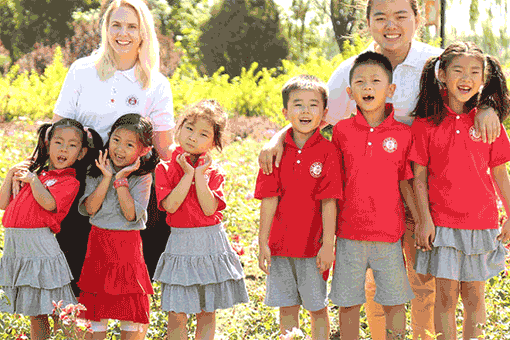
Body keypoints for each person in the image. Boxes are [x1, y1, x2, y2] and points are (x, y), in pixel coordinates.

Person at [258, 0, 502, 338]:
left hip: (426, 191)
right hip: (368, 197)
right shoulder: (352, 69)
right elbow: (314, 116)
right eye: (381, 17)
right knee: (374, 283)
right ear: (368, 22)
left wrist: (488, 106)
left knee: (423, 280)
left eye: (401, 15)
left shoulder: (433, 62)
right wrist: (278, 138)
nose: (392, 25)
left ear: (418, 18)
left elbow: (470, 82)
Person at [51, 0, 175, 297]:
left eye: (132, 26)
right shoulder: (82, 70)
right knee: (78, 270)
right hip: (85, 175)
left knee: (130, 278)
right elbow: (58, 130)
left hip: (133, 180)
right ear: (105, 29)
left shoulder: (156, 83)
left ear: (143, 32)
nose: (123, 33)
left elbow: (164, 148)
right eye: (116, 25)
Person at [410, 42, 510, 340]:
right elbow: (418, 178)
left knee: (475, 298)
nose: (466, 78)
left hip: (481, 223)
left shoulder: (488, 123)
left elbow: (500, 173)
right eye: (458, 70)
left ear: (483, 79)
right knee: (445, 298)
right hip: (442, 224)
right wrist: (425, 220)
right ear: (441, 74)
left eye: (474, 72)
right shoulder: (425, 123)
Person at [329, 51, 417, 339]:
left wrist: (420, 219)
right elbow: (333, 183)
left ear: (390, 90)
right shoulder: (341, 131)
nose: (368, 87)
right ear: (350, 92)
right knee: (348, 302)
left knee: (394, 301)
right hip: (348, 234)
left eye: (376, 81)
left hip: (389, 235)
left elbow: (407, 181)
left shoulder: (403, 133)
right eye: (361, 82)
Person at [254, 75, 343, 339]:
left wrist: (328, 245)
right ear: (285, 111)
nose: (305, 111)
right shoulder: (275, 153)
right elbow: (269, 200)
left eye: (313, 105)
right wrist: (262, 243)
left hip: (313, 248)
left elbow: (329, 202)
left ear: (324, 113)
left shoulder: (328, 152)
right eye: (298, 104)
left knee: (317, 308)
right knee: (287, 307)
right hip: (280, 246)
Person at [153, 99, 249, 340]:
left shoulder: (214, 173)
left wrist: (199, 175)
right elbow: (171, 206)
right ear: (179, 127)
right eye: (189, 128)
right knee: (177, 312)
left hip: (210, 242)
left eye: (203, 134)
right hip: (181, 242)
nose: (193, 137)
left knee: (207, 311)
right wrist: (187, 175)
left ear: (214, 142)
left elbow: (209, 210)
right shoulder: (164, 168)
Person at [0, 119, 101, 340]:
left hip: (40, 247)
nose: (63, 149)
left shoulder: (69, 181)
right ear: (48, 145)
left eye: (72, 145)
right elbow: (3, 203)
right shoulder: (38, 174)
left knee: (58, 310)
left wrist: (33, 180)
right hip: (17, 247)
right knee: (36, 311)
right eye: (58, 142)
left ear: (81, 153)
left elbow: (49, 203)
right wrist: (10, 174)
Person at [77, 114, 159, 340]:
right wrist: (107, 177)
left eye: (129, 144)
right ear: (109, 138)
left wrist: (121, 180)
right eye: (116, 140)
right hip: (99, 246)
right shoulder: (96, 169)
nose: (120, 149)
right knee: (94, 319)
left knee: (131, 318)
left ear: (143, 150)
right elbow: (91, 209)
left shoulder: (142, 177)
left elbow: (131, 214)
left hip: (128, 250)